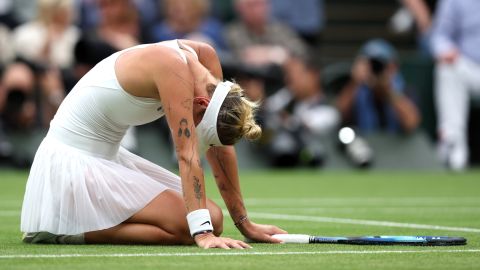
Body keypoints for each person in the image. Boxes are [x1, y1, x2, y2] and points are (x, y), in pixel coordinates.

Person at [20, 39, 286, 248]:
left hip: (108, 159)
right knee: (194, 227)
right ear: (204, 104)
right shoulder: (171, 67)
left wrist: (245, 223)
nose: (196, 129)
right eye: (199, 124)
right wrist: (202, 234)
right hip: (73, 163)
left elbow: (218, 148)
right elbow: (187, 154)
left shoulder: (207, 65)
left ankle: (72, 223)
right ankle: (66, 229)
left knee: (213, 218)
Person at [263, 54, 339, 167]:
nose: (288, 79)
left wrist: (286, 119)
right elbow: (266, 110)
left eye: (294, 74)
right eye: (287, 74)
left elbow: (311, 124)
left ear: (313, 75)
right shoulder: (286, 97)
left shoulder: (329, 108)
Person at [430, 0, 480, 171]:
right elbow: (439, 35)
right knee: (447, 69)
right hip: (468, 65)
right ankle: (453, 151)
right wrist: (445, 50)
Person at [335, 39, 420, 135]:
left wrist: (388, 90)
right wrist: (355, 81)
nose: (376, 69)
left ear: (393, 67)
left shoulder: (404, 90)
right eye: (372, 65)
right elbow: (340, 113)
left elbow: (411, 123)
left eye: (380, 65)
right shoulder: (357, 89)